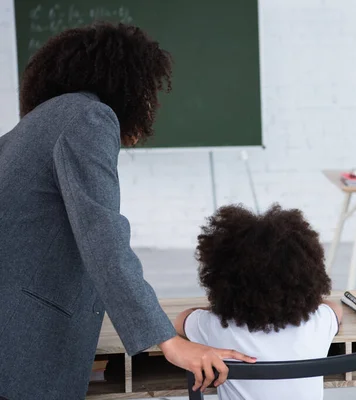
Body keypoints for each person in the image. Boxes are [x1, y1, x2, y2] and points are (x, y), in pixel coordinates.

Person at [0, 22, 254, 400]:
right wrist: (167, 340)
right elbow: (103, 238)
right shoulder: (87, 117)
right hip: (24, 346)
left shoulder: (31, 127)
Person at [174, 204, 343, 400]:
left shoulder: (214, 327)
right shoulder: (318, 322)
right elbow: (335, 309)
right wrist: (306, 301)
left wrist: (218, 310)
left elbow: (181, 320)